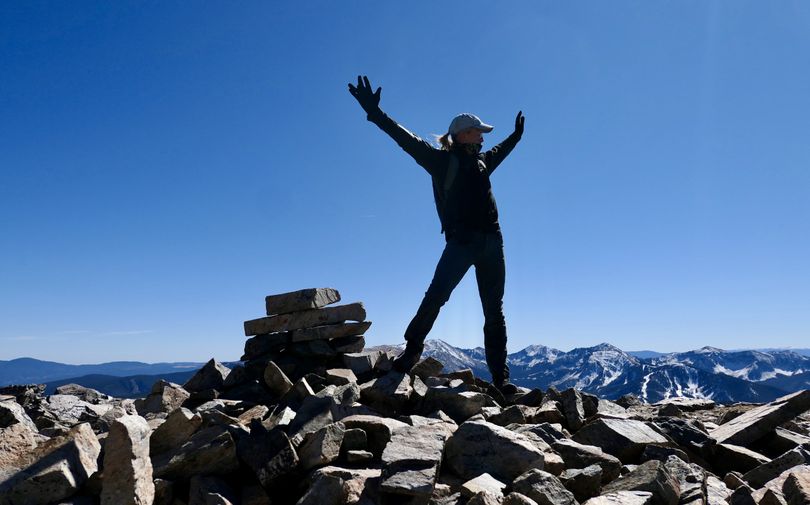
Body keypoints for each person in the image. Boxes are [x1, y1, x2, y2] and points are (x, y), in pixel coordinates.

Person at [348, 75, 524, 394]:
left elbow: (500, 150)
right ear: (463, 135)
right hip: (462, 242)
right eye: (479, 133)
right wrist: (375, 114)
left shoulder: (483, 162)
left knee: (494, 310)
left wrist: (517, 136)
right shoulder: (440, 161)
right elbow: (405, 139)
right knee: (437, 296)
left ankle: (501, 380)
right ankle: (413, 348)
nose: (483, 138)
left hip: (492, 243)